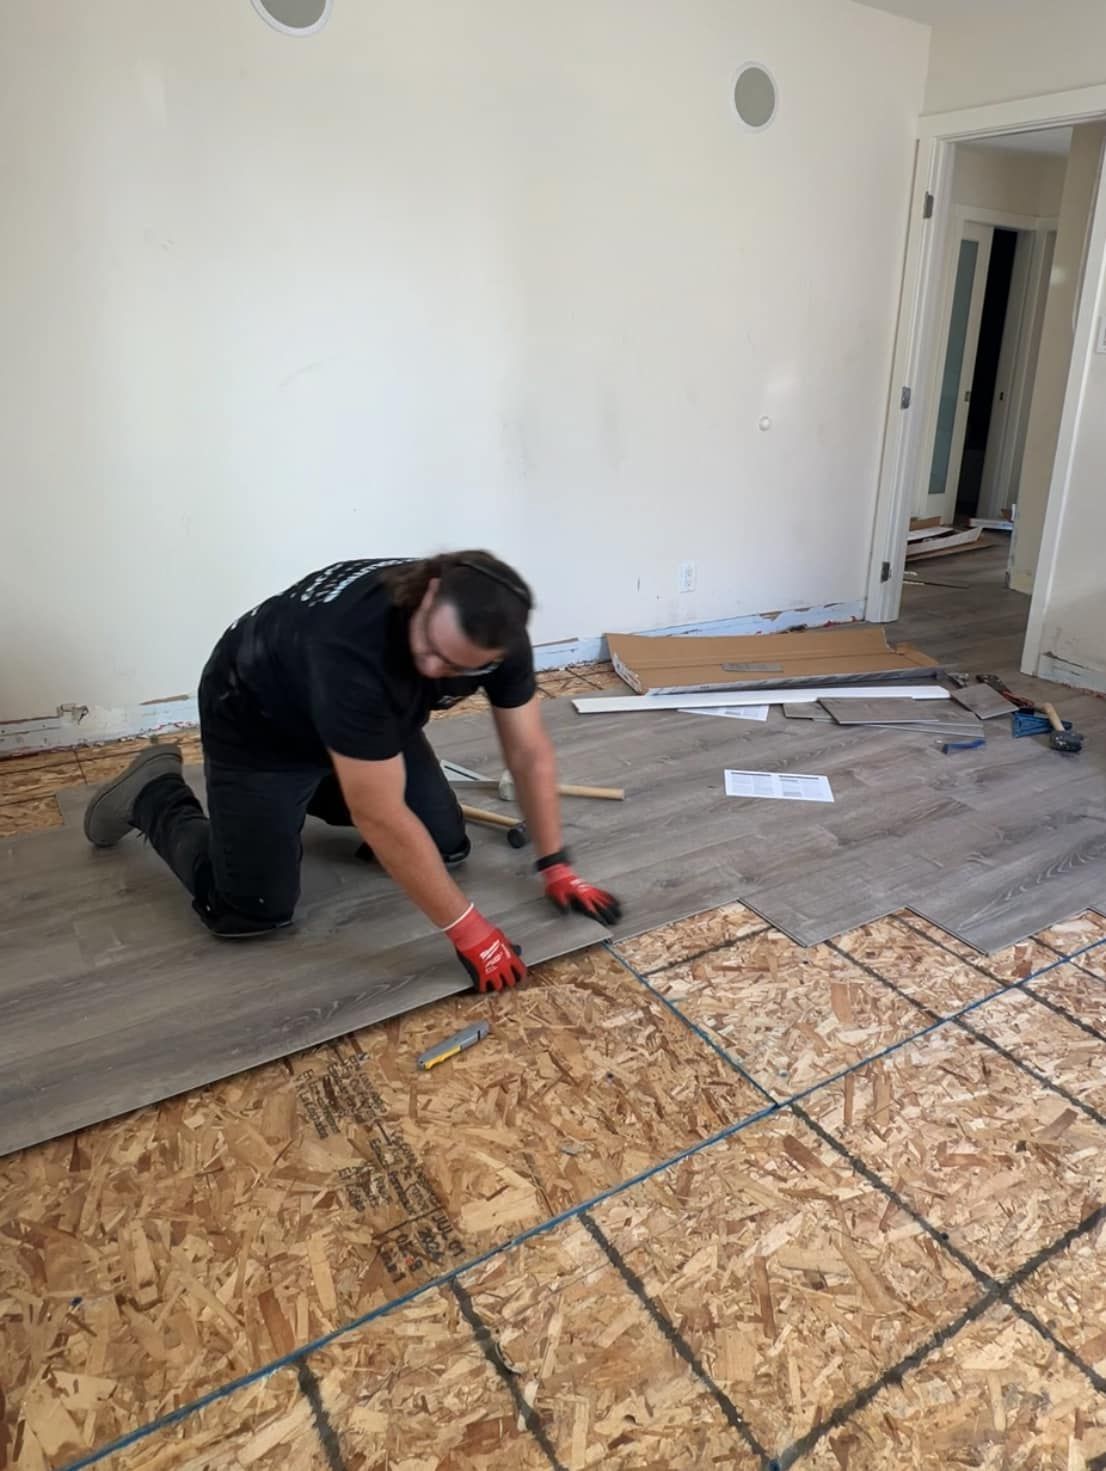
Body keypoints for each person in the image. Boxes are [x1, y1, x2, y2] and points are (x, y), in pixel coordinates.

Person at [82, 551, 621, 993]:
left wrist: (555, 864)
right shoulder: (351, 648)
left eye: (456, 667)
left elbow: (528, 752)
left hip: (362, 721)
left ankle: (315, 787)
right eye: (431, 649)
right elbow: (379, 813)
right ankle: (152, 792)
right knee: (250, 910)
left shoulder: (493, 632)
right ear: (428, 591)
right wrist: (470, 932)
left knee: (447, 847)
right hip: (259, 720)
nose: (435, 670)